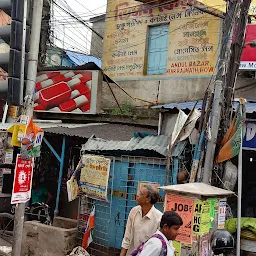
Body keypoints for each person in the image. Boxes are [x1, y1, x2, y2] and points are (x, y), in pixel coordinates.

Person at [120, 184, 162, 256]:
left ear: (148, 199)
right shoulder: (134, 211)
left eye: (141, 194)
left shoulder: (159, 218)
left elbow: (159, 245)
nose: (137, 195)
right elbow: (127, 237)